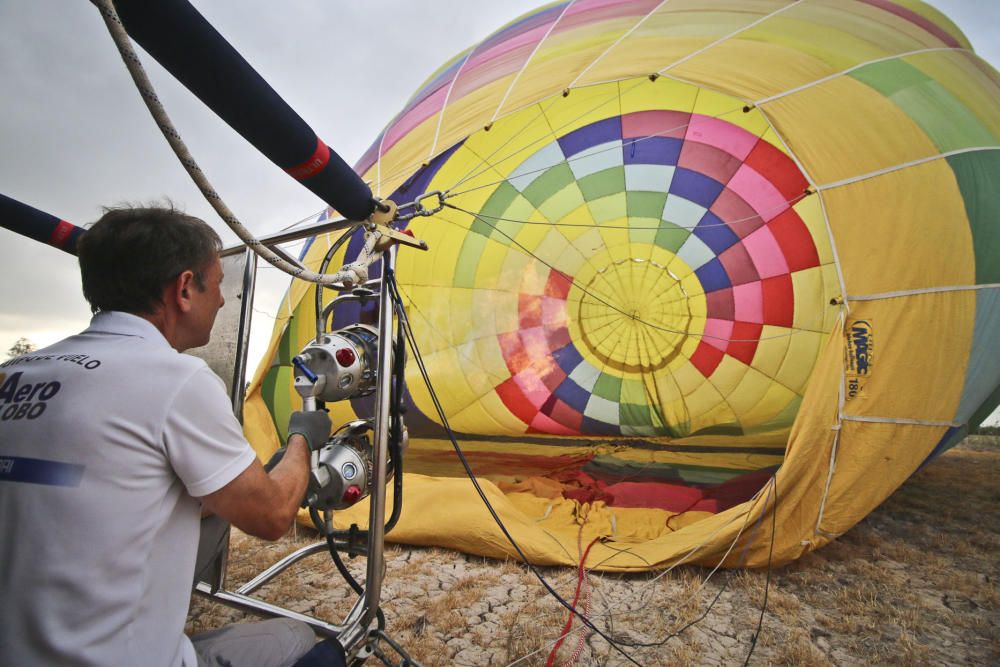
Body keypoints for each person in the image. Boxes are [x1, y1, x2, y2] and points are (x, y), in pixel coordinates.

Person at [0, 205, 335, 666]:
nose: (221, 301)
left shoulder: (13, 371)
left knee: (213, 511)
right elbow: (274, 516)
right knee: (309, 642)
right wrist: (302, 437)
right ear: (183, 289)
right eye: (217, 285)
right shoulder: (177, 379)